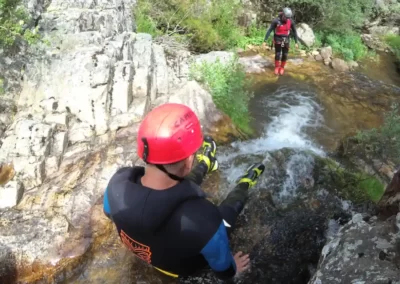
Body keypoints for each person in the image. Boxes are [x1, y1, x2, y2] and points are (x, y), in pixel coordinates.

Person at [103, 103, 265, 280]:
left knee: (177, 184)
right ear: (189, 161)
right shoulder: (204, 220)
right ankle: (245, 182)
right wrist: (234, 270)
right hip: (185, 267)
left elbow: (109, 213)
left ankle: (206, 163)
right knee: (228, 210)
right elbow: (223, 270)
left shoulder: (117, 183)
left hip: (154, 257)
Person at [263, 7, 299, 75]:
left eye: (288, 18)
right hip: (278, 38)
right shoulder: (276, 21)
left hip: (286, 39)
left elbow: (294, 32)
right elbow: (270, 30)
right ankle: (277, 67)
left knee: (285, 55)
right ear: (283, 15)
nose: (287, 19)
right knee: (278, 54)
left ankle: (282, 67)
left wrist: (296, 42)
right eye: (286, 17)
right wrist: (265, 40)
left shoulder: (290, 21)